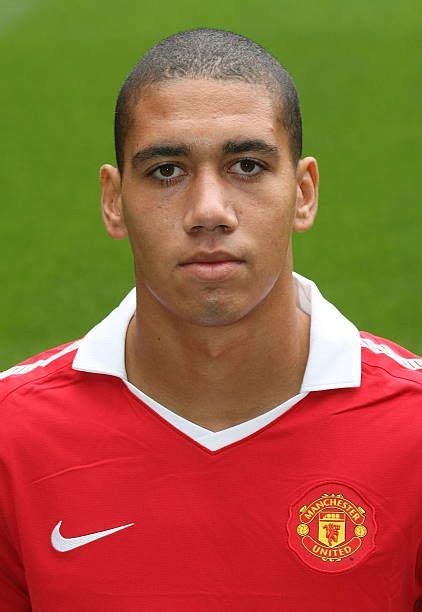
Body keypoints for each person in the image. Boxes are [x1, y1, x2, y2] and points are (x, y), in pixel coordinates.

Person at [0, 28, 420, 611]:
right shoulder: (11, 438)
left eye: (246, 165)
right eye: (167, 171)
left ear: (303, 192)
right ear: (114, 201)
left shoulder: (412, 430)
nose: (209, 212)